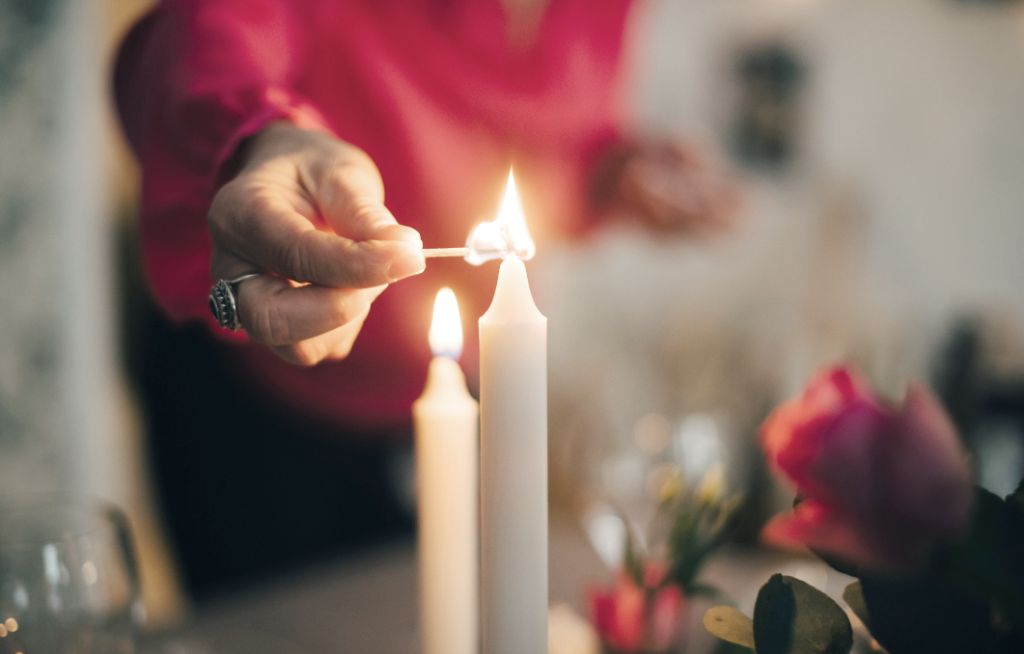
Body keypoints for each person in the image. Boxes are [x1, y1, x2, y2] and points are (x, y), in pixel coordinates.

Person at [115, 0, 737, 598]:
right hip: (256, 420)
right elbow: (196, 38)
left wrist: (611, 175)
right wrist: (260, 137)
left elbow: (543, 148)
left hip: (453, 405)